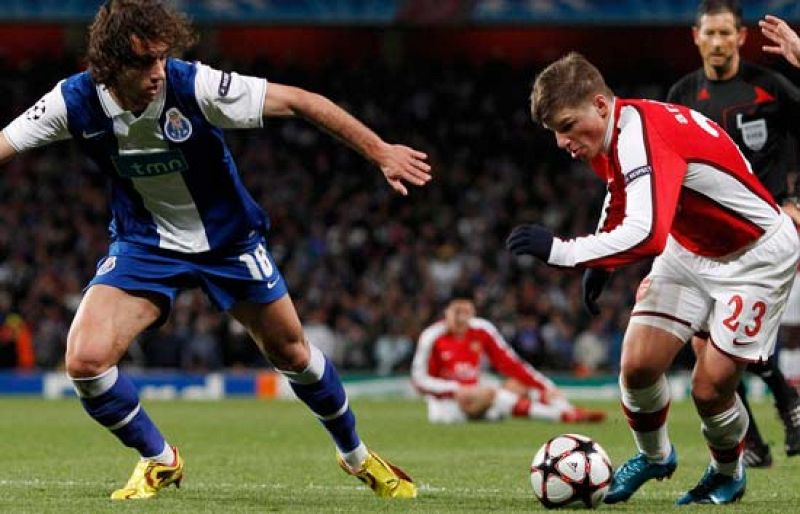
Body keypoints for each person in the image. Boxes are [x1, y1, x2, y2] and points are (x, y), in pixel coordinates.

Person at [0, 0, 431, 501]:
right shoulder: (73, 102)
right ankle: (160, 459)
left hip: (227, 243)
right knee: (85, 360)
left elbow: (300, 101)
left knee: (292, 353)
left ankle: (356, 455)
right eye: (144, 62)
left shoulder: (196, 85)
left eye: (162, 57)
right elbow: (5, 141)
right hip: (146, 244)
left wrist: (380, 151)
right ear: (110, 64)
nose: (158, 71)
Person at [507, 52, 800, 504]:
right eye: (555, 133)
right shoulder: (614, 133)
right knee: (639, 365)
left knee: (710, 388)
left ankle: (727, 472)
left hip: (754, 257)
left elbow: (646, 234)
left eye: (567, 125)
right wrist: (599, 261)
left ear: (600, 105)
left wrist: (564, 252)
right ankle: (655, 456)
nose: (563, 141)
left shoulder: (643, 134)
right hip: (690, 248)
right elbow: (620, 192)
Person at [666, 0, 800, 468]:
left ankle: (787, 406)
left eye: (727, 34)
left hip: (767, 233)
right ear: (696, 37)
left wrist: (796, 199)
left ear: (741, 37)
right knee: (703, 346)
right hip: (709, 237)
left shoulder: (771, 88)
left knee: (729, 335)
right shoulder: (681, 96)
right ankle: (757, 440)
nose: (719, 42)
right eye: (711, 34)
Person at [411, 292, 606, 424]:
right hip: (446, 406)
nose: (462, 317)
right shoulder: (432, 336)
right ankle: (561, 415)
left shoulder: (482, 329)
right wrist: (455, 390)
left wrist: (547, 387)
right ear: (446, 313)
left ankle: (567, 407)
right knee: (490, 394)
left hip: (478, 394)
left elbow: (511, 364)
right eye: (457, 312)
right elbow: (419, 380)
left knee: (518, 385)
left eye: (466, 311)